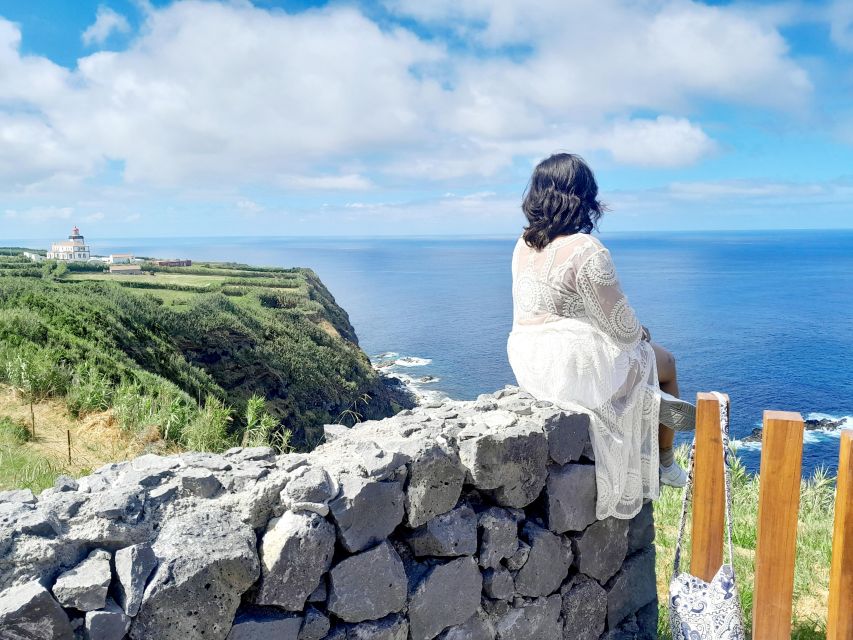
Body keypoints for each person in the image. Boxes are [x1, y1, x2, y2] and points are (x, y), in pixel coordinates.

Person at [506, 153, 694, 521]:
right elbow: (622, 328)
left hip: (528, 359)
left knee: (632, 365)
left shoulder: (523, 246)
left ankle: (647, 412)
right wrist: (641, 333)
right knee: (665, 362)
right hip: (572, 362)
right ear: (582, 196)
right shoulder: (585, 249)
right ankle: (666, 460)